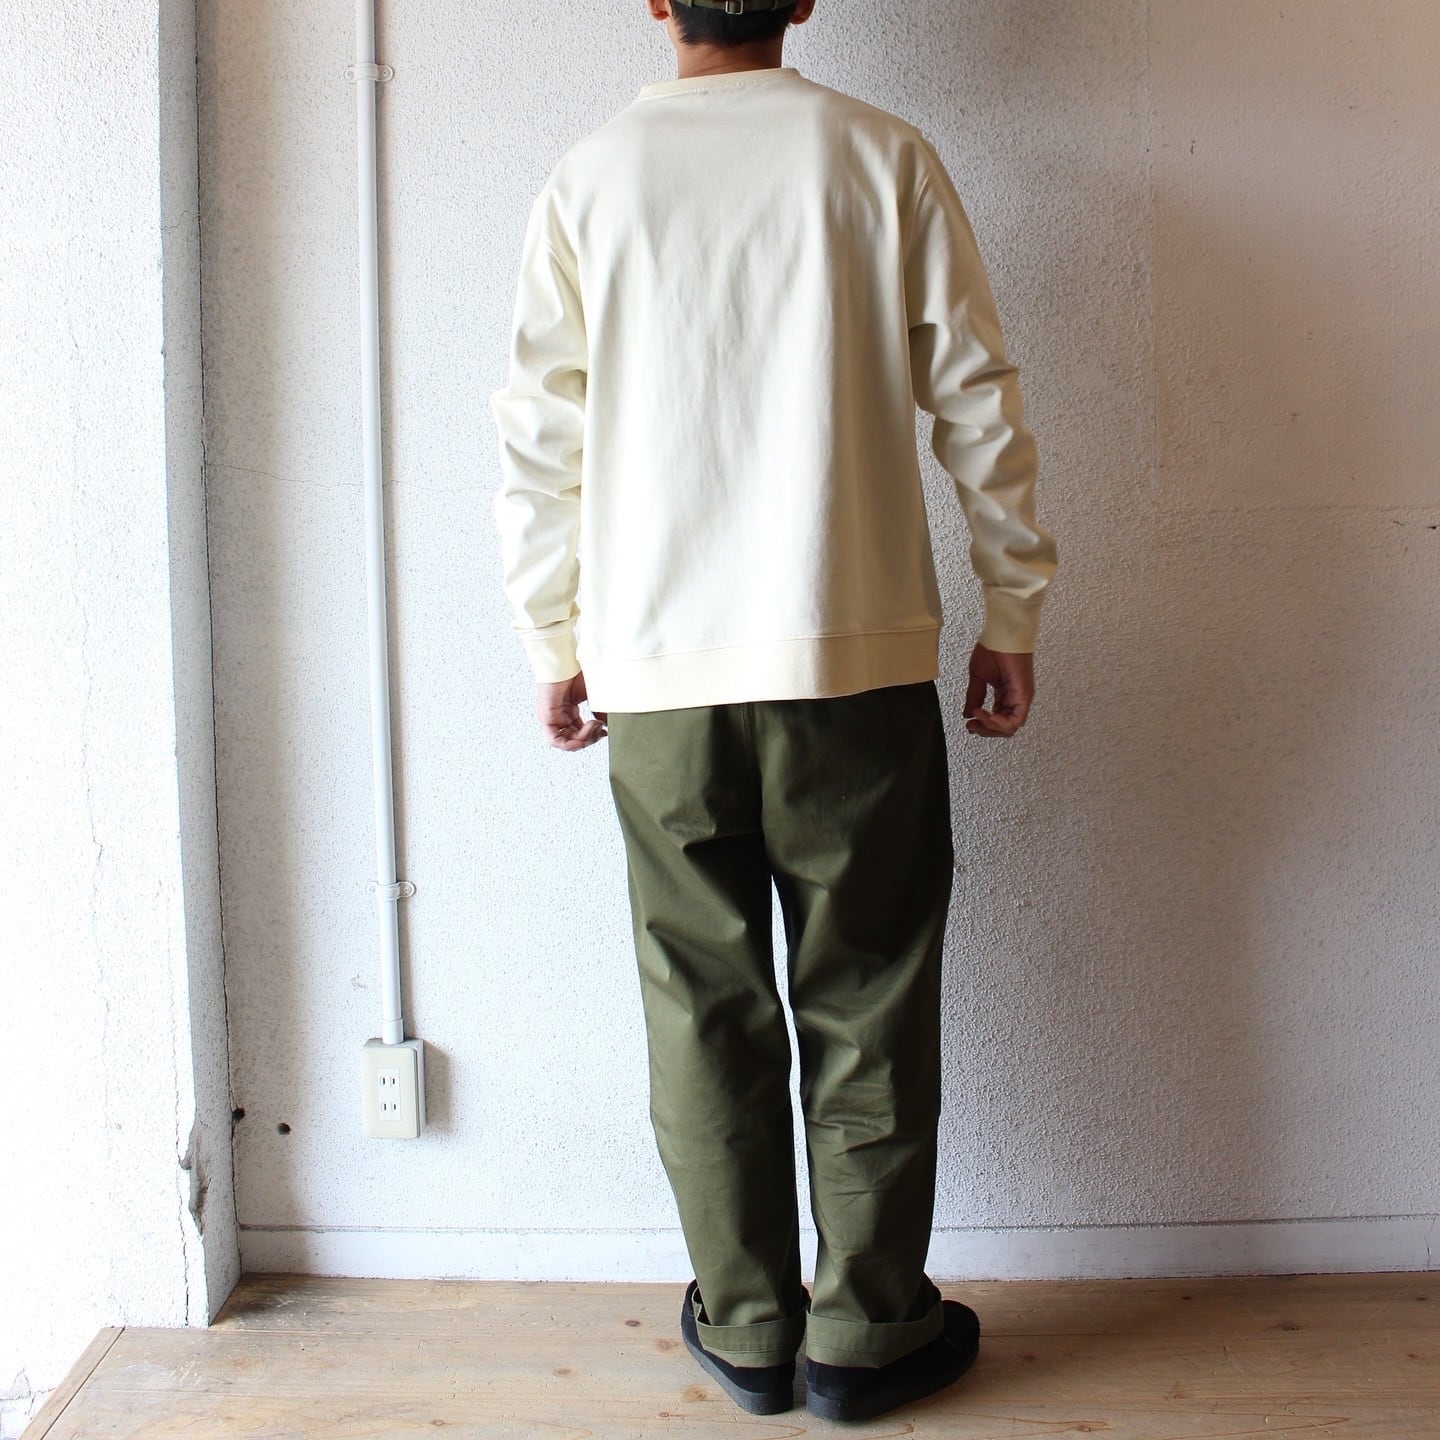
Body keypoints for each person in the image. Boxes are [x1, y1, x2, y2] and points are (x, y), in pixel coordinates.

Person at [489, 0, 1059, 1422]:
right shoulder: (881, 157)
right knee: (868, 996)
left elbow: (542, 435)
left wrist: (552, 634)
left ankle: (747, 1326)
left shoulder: (590, 179)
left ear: (655, 1)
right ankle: (866, 1335)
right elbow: (977, 398)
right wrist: (1011, 605)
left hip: (659, 679)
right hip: (851, 664)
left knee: (703, 1005)